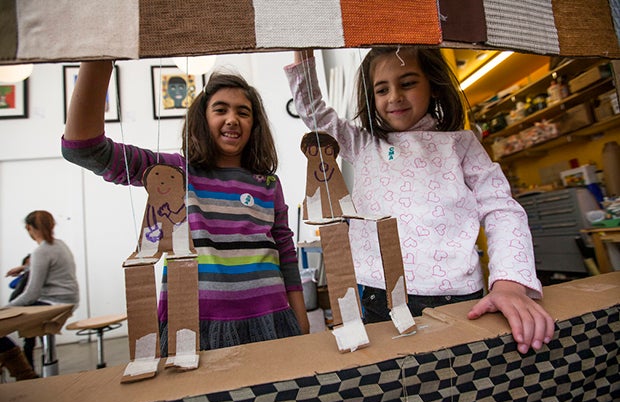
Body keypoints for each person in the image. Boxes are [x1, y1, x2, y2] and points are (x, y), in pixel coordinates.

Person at [285, 48, 554, 354]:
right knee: (393, 374)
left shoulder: (461, 143)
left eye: (408, 83)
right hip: (377, 292)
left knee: (457, 371)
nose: (394, 97)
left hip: (455, 294)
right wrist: (303, 54)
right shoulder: (363, 144)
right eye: (381, 90)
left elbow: (501, 209)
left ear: (433, 85)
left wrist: (509, 283)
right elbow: (314, 112)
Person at [61, 61, 309, 356]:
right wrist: (100, 59)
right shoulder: (174, 173)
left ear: (255, 126)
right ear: (202, 120)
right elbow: (84, 149)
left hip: (272, 319)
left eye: (243, 112)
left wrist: (300, 316)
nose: (232, 119)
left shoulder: (268, 183)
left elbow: (285, 249)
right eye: (220, 110)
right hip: (193, 325)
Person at [2, 210, 79, 375]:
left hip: (53, 304)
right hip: (69, 300)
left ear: (29, 228)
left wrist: (5, 309)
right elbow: (51, 264)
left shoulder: (40, 252)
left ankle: (25, 374)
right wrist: (25, 268)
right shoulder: (60, 244)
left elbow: (31, 295)